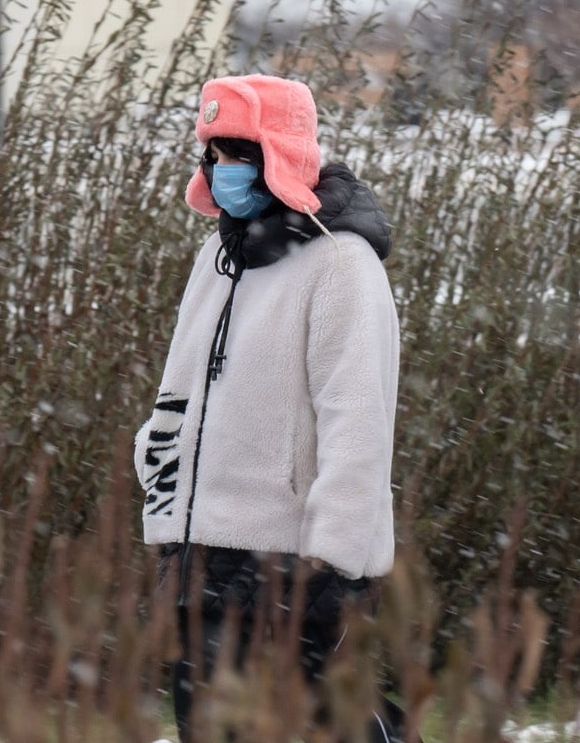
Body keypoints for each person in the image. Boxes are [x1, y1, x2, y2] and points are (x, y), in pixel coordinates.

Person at [133, 74, 406, 742]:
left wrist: (332, 563)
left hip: (293, 563)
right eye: (215, 155)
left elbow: (358, 428)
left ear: (279, 154)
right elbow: (180, 386)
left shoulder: (340, 266)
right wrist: (159, 480)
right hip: (202, 552)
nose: (223, 171)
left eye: (239, 154)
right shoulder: (219, 257)